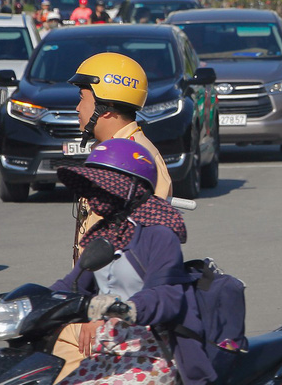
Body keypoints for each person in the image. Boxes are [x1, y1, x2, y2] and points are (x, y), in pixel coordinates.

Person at [50, 141, 215, 385]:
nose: (95, 191)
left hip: (150, 352)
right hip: (106, 351)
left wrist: (123, 308)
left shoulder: (158, 234)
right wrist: (35, 302)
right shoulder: (104, 234)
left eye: (102, 183)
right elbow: (72, 284)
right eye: (93, 184)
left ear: (131, 187)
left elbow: (167, 295)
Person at [55, 54, 174, 380]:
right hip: (87, 303)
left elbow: (137, 250)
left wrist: (103, 315)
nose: (78, 108)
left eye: (83, 99)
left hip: (110, 316)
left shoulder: (138, 161)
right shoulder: (117, 152)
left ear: (105, 108)